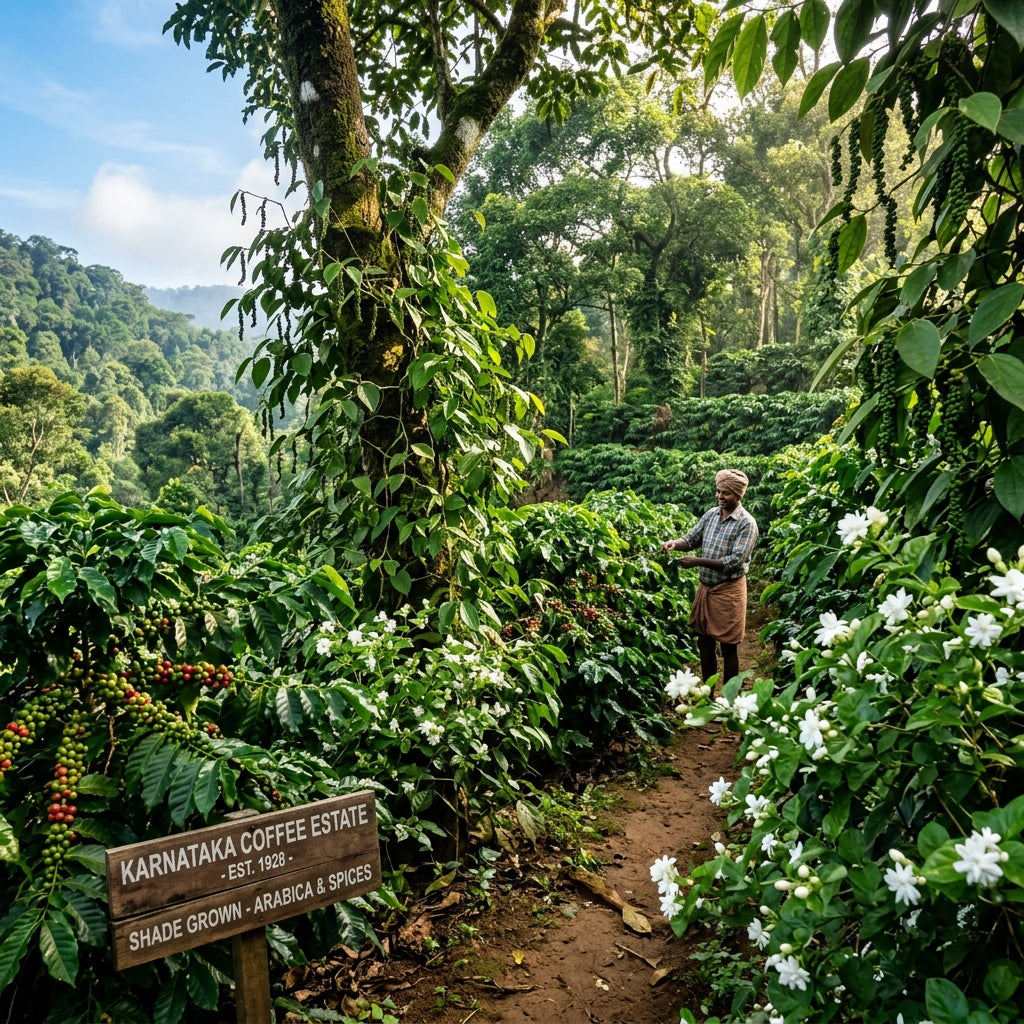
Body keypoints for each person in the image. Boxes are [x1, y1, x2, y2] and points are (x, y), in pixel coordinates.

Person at [661, 469, 758, 684]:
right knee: (704, 643)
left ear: (738, 495)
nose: (720, 497)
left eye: (726, 493)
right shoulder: (711, 514)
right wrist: (674, 544)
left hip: (729, 590)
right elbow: (692, 538)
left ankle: (729, 700)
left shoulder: (746, 524)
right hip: (706, 588)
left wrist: (696, 561)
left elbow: (734, 561)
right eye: (718, 492)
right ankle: (708, 693)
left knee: (728, 646)